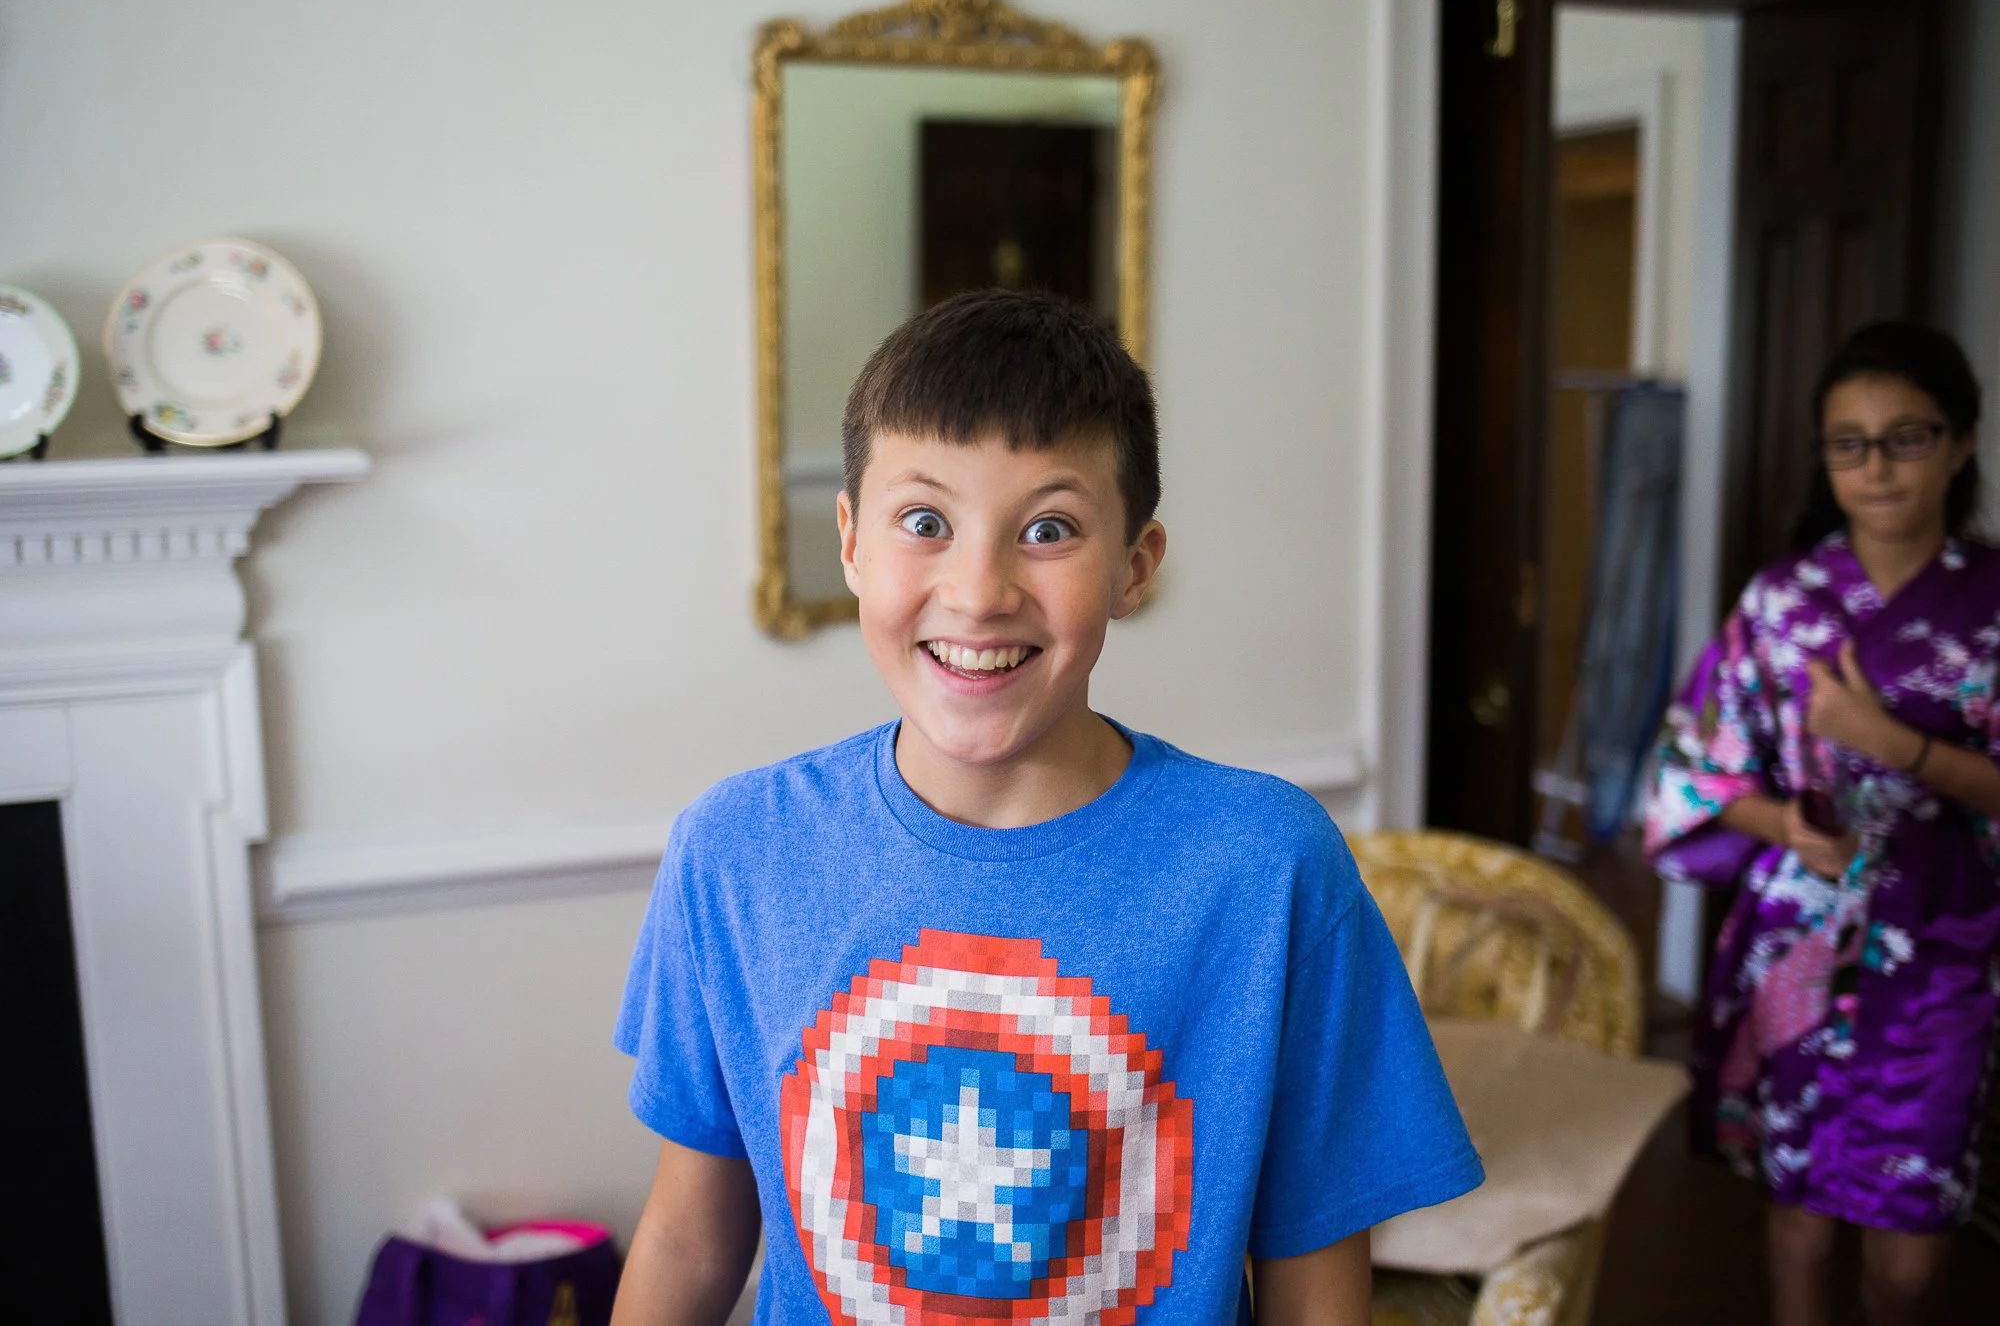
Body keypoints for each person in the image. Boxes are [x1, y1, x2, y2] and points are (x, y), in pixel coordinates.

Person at [609, 290, 1482, 1325]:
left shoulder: (1267, 866)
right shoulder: (735, 850)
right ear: (849, 540)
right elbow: (686, 1239)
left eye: (1048, 528)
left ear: (1134, 565)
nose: (978, 590)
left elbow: (1313, 1276)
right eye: (923, 521)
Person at [1646, 321, 2000, 1326]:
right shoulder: (1781, 601)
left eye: (1904, 436)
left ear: (1959, 443)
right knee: (1795, 1219)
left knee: (1906, 1261)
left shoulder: (1988, 604)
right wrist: (1784, 829)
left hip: (1940, 949)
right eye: (1847, 441)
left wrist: (1889, 741)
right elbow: (1692, 771)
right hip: (1793, 943)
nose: (1874, 465)